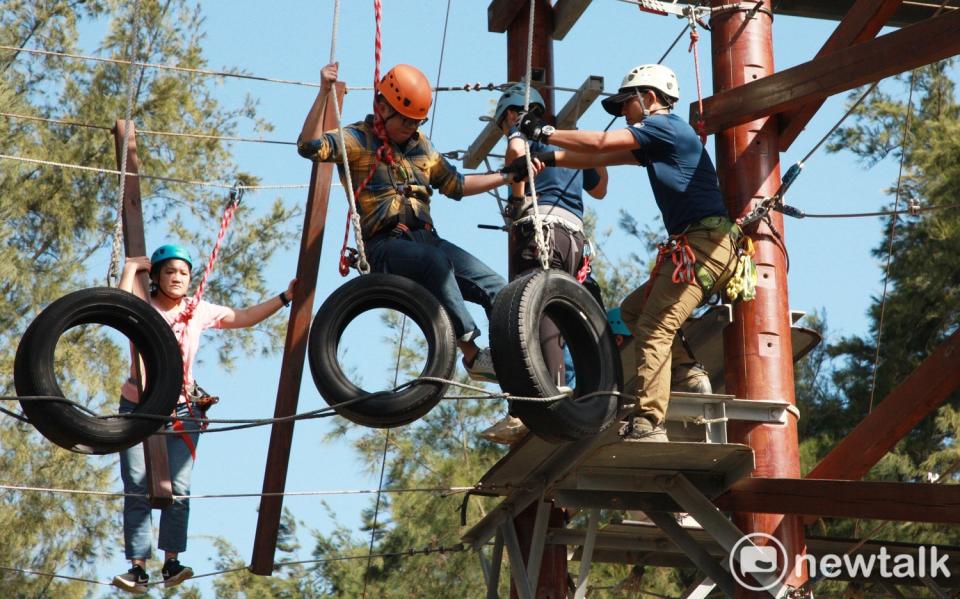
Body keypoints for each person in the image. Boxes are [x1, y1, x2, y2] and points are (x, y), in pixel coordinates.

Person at [510, 64, 740, 442]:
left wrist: (546, 133)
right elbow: (598, 157)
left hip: (704, 245)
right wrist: (544, 160)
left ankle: (650, 422)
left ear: (648, 98)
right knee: (634, 313)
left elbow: (601, 145)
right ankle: (688, 373)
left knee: (654, 327)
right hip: (701, 246)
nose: (623, 114)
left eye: (626, 105)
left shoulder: (665, 127)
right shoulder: (659, 140)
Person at [298, 62, 540, 382]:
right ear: (382, 107)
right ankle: (473, 356)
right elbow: (309, 147)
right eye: (406, 120)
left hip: (428, 240)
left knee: (498, 288)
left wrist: (508, 176)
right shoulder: (358, 139)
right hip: (386, 245)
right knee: (434, 263)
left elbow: (457, 186)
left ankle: (512, 363)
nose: (411, 127)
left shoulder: (422, 147)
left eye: (418, 121)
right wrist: (322, 95)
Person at [112, 244, 296, 593]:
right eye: (170, 272)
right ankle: (137, 567)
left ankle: (171, 562)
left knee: (178, 489)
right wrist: (130, 268)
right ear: (156, 277)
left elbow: (243, 317)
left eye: (183, 273)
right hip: (138, 404)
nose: (178, 278)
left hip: (183, 407)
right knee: (137, 485)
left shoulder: (197, 311)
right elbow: (117, 307)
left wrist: (284, 297)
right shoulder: (144, 306)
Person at [480, 83, 608, 444]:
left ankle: (543, 399)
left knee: (533, 313)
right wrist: (589, 149)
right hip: (575, 240)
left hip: (541, 233)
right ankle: (584, 393)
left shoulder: (522, 137)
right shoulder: (567, 141)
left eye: (505, 122)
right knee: (568, 313)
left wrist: (516, 200)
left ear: (510, 115)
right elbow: (599, 188)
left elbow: (515, 151)